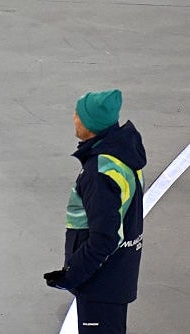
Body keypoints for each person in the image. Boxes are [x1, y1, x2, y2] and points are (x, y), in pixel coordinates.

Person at [44, 89, 146, 334]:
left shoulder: (99, 173)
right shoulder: (122, 155)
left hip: (101, 281)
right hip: (117, 272)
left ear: (91, 125)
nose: (74, 118)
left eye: (78, 115)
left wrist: (71, 275)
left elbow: (104, 238)